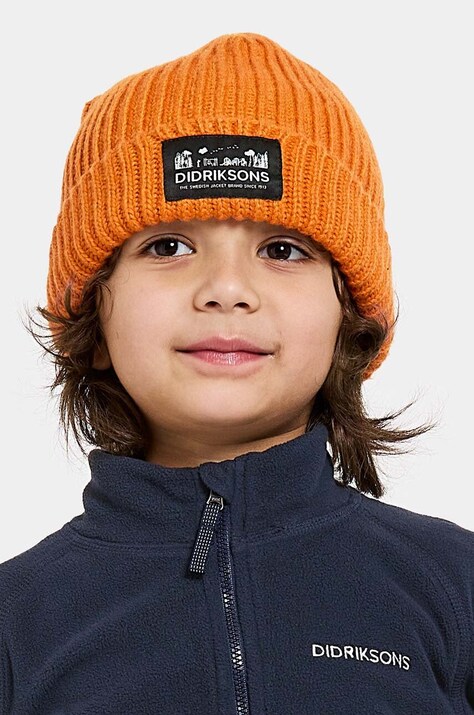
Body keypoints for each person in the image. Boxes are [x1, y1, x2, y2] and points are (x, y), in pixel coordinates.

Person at [1, 32, 473, 713]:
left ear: (348, 321)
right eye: (169, 245)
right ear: (92, 316)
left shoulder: (454, 586)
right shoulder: (19, 622)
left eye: (282, 250)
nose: (226, 289)